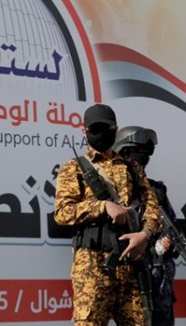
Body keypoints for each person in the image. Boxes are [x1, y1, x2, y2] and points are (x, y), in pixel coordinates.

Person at [54, 103, 161, 326]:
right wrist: (102, 206)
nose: (101, 134)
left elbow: (152, 206)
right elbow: (62, 212)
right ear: (84, 132)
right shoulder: (74, 168)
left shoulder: (131, 167)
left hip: (130, 264)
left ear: (116, 129)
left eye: (107, 128)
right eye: (95, 129)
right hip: (92, 266)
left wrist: (145, 235)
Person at [113, 126, 177, 326]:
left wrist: (164, 243)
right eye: (136, 153)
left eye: (145, 154)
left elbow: (172, 226)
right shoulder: (111, 190)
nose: (141, 160)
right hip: (130, 280)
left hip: (159, 282)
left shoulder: (155, 190)